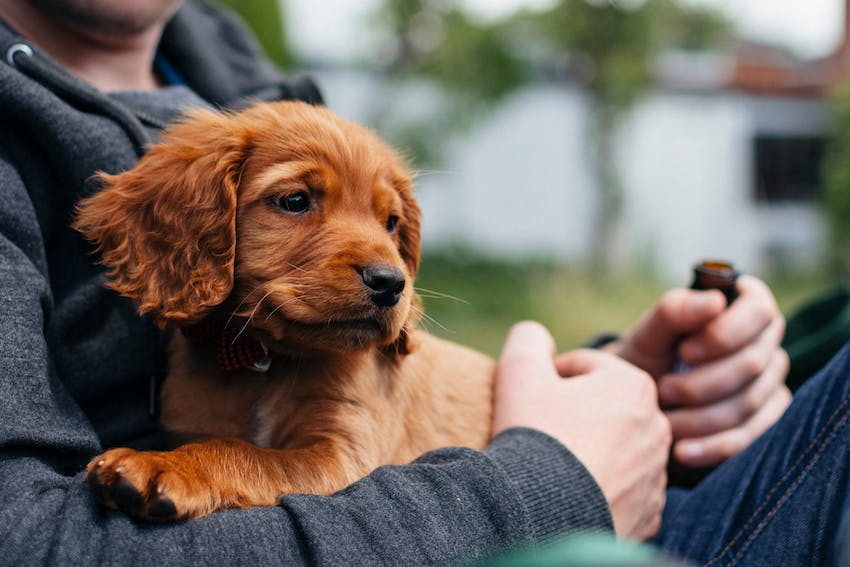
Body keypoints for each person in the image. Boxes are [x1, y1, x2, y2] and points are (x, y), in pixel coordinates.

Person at [0, 0, 821, 564]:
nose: (383, 264)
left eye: (395, 228)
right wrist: (553, 482)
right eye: (295, 202)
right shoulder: (141, 172)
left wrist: (624, 378)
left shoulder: (250, 78)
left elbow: (416, 401)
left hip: (606, 478)